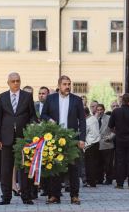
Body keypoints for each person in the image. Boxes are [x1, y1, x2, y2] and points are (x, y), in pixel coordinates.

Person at [41, 75, 86, 205]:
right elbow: (43, 114)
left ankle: (74, 195)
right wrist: (49, 119)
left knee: (74, 168)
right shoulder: (50, 98)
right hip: (55, 138)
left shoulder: (76, 100)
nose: (67, 86)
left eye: (69, 84)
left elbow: (82, 120)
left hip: (72, 139)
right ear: (59, 85)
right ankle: (54, 195)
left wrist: (82, 138)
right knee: (55, 167)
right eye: (65, 84)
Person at [0, 72, 36, 205]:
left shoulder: (27, 96)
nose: (16, 83)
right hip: (6, 139)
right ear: (8, 83)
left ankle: (26, 196)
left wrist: (30, 131)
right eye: (13, 81)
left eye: (18, 81)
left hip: (23, 139)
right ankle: (6, 197)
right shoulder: (2, 97)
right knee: (6, 169)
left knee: (24, 168)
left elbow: (33, 116)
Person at [108, 93, 129, 189]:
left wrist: (117, 132)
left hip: (119, 139)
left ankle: (119, 183)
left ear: (122, 100)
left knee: (120, 161)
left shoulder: (115, 112)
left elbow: (110, 127)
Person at [98, 104, 115, 185]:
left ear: (104, 110)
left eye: (101, 109)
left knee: (108, 163)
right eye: (98, 110)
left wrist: (110, 138)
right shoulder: (94, 119)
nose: (99, 111)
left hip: (107, 144)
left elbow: (114, 130)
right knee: (99, 163)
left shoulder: (109, 118)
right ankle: (100, 179)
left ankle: (109, 179)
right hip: (97, 144)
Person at [84, 106, 100, 187]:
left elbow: (84, 132)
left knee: (89, 165)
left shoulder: (87, 121)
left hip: (89, 144)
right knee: (94, 164)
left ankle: (91, 181)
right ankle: (92, 181)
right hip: (96, 143)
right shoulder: (94, 118)